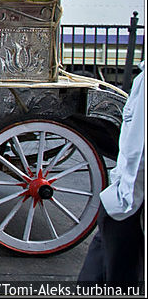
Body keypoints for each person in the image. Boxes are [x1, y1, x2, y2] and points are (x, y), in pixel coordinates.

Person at [78, 61, 145, 284]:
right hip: (128, 197)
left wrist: (124, 200)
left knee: (115, 271)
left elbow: (138, 151)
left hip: (128, 200)